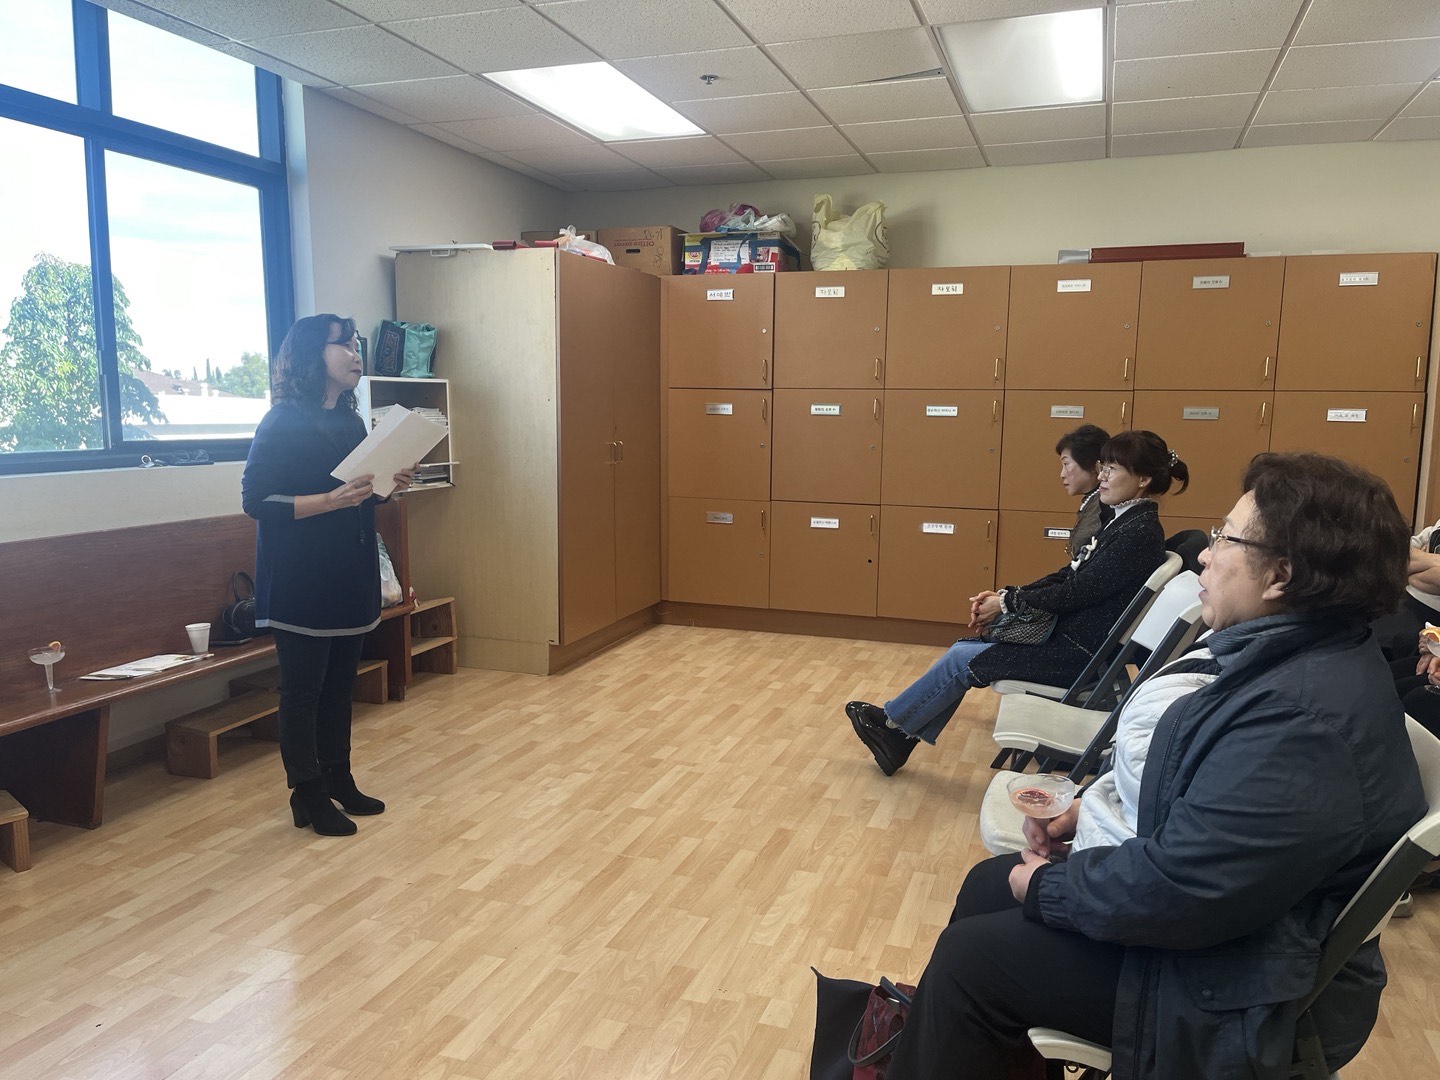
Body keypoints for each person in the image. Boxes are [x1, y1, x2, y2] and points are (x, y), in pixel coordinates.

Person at [882, 452, 1425, 1080]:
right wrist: (1089, 812)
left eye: (1227, 538)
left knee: (971, 962)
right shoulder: (1300, 659)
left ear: (1282, 575)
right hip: (1242, 935)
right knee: (989, 885)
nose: (1206, 555)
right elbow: (1218, 820)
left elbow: (1188, 890)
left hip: (1238, 985)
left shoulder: (1304, 720)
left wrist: (1052, 889)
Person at [847, 430, 1188, 776]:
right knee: (964, 651)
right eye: (1103, 467)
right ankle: (898, 734)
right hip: (1072, 643)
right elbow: (1070, 576)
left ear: (1143, 479)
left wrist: (1009, 602)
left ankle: (893, 729)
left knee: (961, 660)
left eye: (1112, 470)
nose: (1102, 477)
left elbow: (1076, 591)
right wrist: (1009, 596)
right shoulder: (1126, 522)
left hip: (1075, 654)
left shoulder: (1138, 533)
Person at [241, 314, 415, 837]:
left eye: (357, 344)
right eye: (345, 345)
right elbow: (256, 501)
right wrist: (328, 501)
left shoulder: (349, 421)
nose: (356, 354)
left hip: (348, 571)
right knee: (303, 691)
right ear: (313, 353)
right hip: (301, 578)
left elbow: (360, 493)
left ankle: (339, 777)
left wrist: (389, 485)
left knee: (340, 686)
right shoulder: (281, 421)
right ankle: (307, 792)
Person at [1370, 514, 1440, 660]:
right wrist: (1434, 563)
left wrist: (1415, 566)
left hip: (1430, 617)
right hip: (1401, 596)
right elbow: (1397, 557)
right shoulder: (1437, 527)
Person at [1055, 423, 1110, 561]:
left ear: (1093, 465)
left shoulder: (1106, 504)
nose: (1062, 474)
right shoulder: (1094, 500)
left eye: (1066, 464)